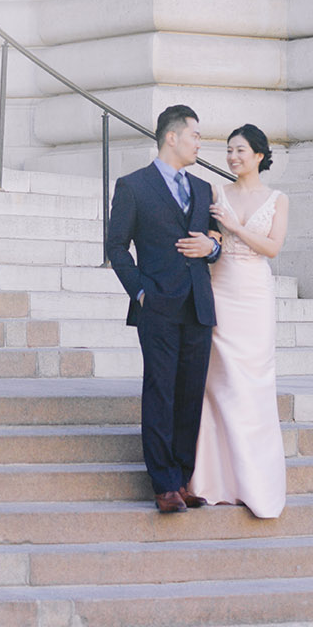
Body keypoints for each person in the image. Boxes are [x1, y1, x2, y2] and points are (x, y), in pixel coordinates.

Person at [105, 103, 221, 513]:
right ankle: (164, 484)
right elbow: (115, 247)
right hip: (156, 306)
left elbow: (215, 240)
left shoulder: (204, 189)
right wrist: (139, 292)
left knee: (190, 394)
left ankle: (184, 477)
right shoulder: (133, 186)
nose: (199, 143)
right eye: (195, 135)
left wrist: (213, 247)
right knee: (160, 393)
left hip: (198, 306)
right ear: (172, 137)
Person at [188, 123, 288, 519]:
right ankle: (213, 481)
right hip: (221, 288)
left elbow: (273, 248)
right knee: (219, 383)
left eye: (241, 150)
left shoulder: (278, 199)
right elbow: (211, 240)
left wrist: (234, 227)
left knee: (253, 382)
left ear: (259, 156)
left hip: (255, 293)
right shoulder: (216, 193)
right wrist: (215, 237)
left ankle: (255, 481)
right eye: (229, 150)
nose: (232, 157)